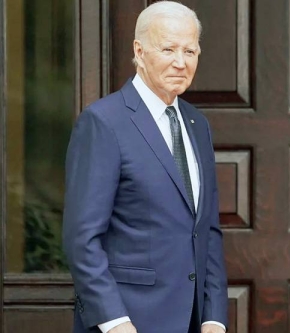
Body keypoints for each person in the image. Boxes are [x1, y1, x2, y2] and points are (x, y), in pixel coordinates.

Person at [62, 2, 227, 333]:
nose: (181, 62)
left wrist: (214, 317)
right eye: (168, 49)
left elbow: (206, 229)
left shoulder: (197, 123)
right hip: (127, 321)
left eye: (190, 51)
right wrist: (115, 322)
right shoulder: (103, 122)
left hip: (192, 322)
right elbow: (82, 239)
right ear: (139, 50)